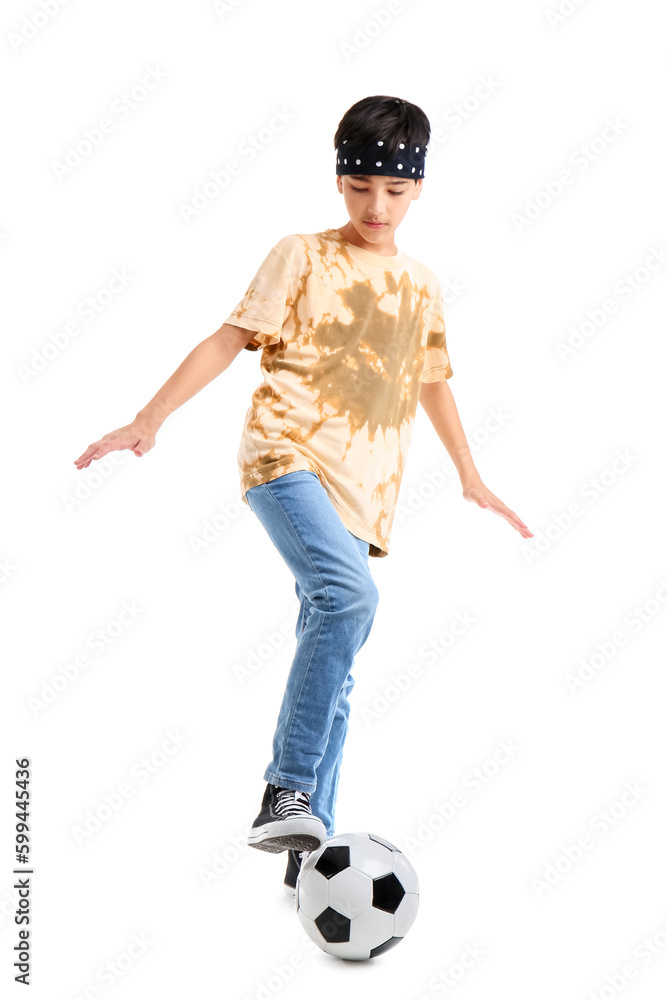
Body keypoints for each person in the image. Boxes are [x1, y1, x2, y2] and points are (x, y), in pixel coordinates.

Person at [73, 94, 533, 895]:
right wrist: (150, 418)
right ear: (338, 181)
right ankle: (284, 789)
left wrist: (469, 474)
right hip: (285, 459)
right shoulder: (302, 255)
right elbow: (228, 338)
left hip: (366, 491)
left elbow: (431, 384)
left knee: (339, 656)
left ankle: (307, 853)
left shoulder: (421, 285)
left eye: (392, 191)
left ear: (418, 188)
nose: (375, 206)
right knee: (348, 597)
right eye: (359, 186)